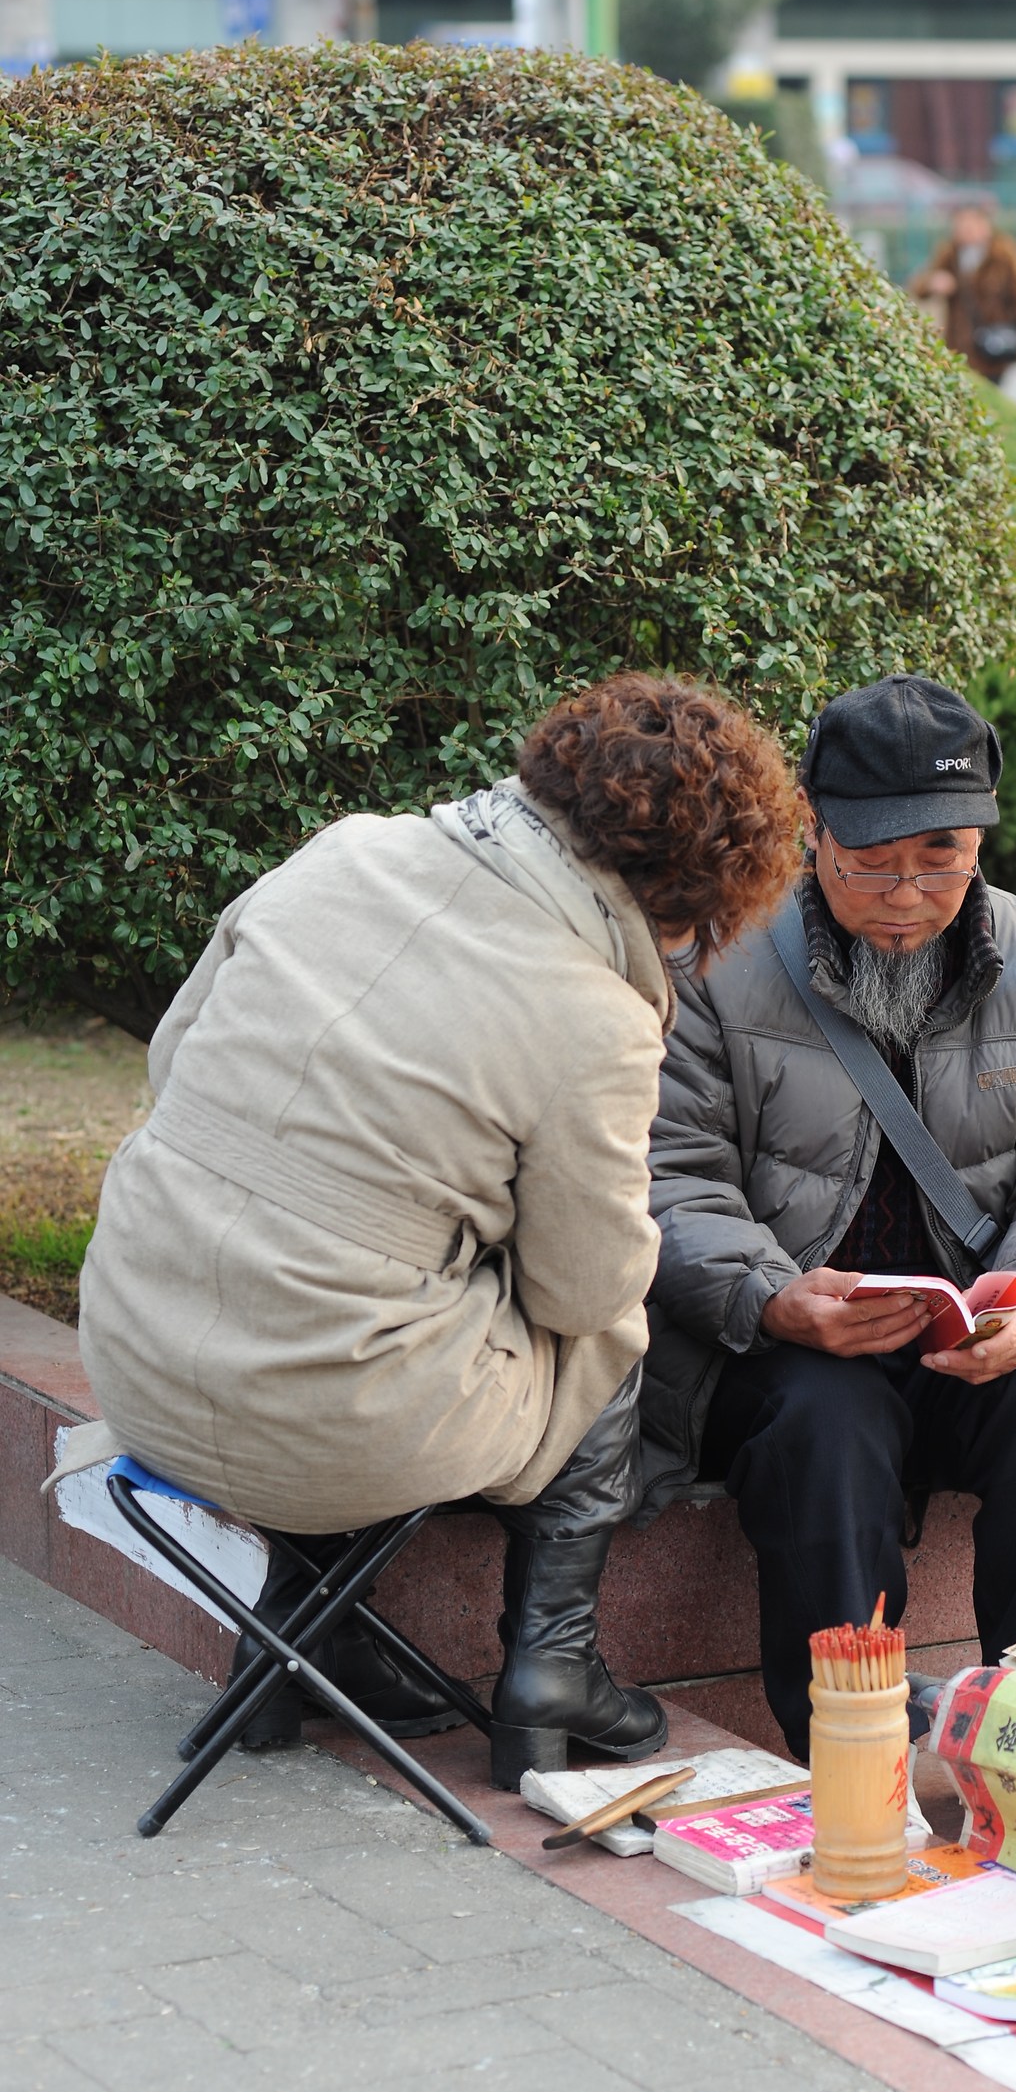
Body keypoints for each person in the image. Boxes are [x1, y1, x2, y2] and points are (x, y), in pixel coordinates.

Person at [71, 674, 801, 1785]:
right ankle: (552, 1672)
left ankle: (304, 1642)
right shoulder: (592, 1011)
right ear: (691, 890)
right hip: (324, 1427)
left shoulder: (346, 849)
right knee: (609, 1329)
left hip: (135, 1357)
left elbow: (174, 1064)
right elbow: (581, 1289)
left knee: (342, 1264)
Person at [641, 674, 1016, 1759]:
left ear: (980, 841)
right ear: (812, 832)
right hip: (783, 1347)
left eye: (941, 858)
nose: (905, 892)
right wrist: (772, 1298)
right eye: (869, 860)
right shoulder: (714, 964)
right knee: (826, 1420)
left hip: (967, 1339)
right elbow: (664, 1175)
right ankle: (851, 1751)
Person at [910, 200, 1016, 384]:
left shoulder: (1006, 254)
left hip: (998, 348)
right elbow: (919, 286)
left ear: (985, 225)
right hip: (960, 349)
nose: (966, 229)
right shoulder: (949, 254)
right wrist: (933, 282)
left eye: (971, 224)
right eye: (961, 224)